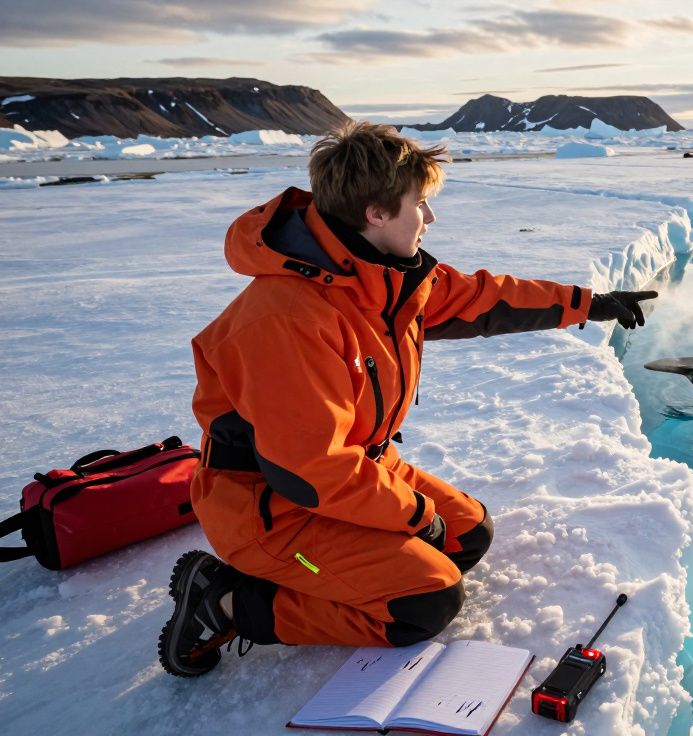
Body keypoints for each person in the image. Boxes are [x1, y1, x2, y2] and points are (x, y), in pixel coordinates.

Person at [158, 121, 657, 677]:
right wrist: (414, 515)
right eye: (419, 203)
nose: (431, 216)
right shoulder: (286, 319)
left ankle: (343, 565)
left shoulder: (386, 278)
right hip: (271, 512)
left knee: (468, 536)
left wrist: (590, 303)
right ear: (375, 213)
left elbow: (485, 299)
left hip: (360, 472)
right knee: (425, 603)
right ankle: (224, 599)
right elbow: (311, 471)